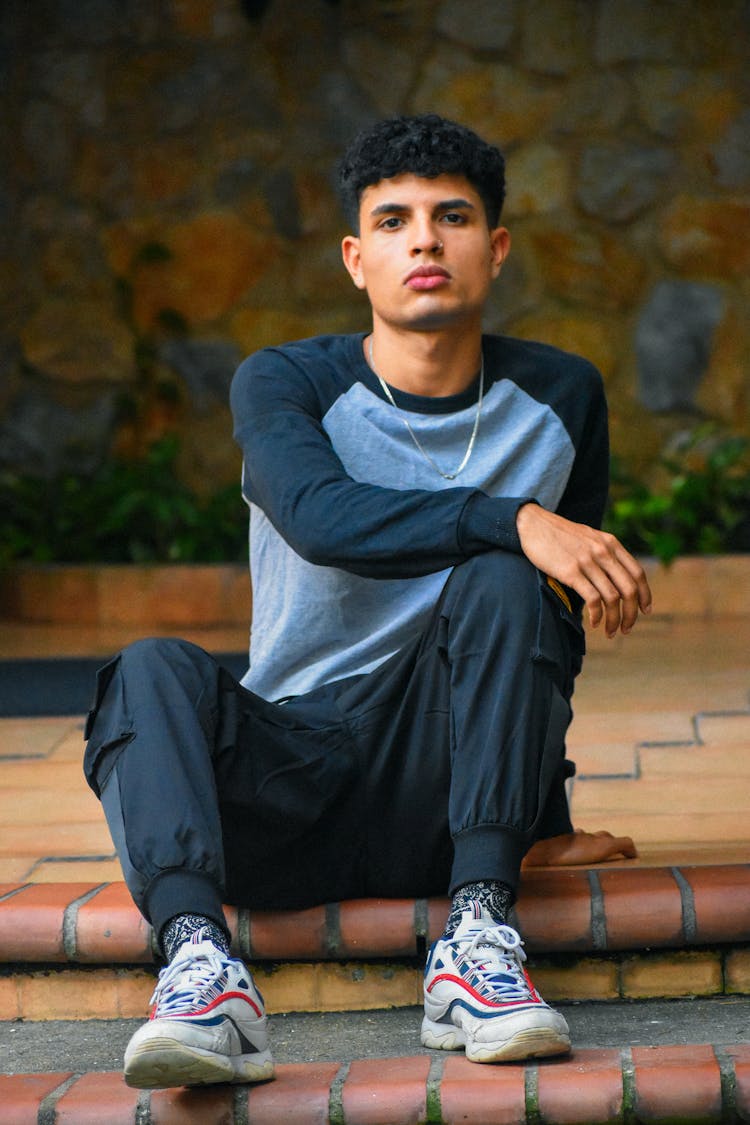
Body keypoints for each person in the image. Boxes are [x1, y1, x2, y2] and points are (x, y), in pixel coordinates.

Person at [83, 113, 648, 1090]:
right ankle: (200, 970)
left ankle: (476, 942)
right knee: (149, 671)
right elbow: (320, 516)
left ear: (496, 248)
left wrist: (536, 806)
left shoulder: (564, 397)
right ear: (356, 258)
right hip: (290, 781)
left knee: (514, 581)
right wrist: (507, 517)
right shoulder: (288, 380)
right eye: (393, 221)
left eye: (452, 216)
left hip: (443, 794)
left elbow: (560, 617)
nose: (424, 239)